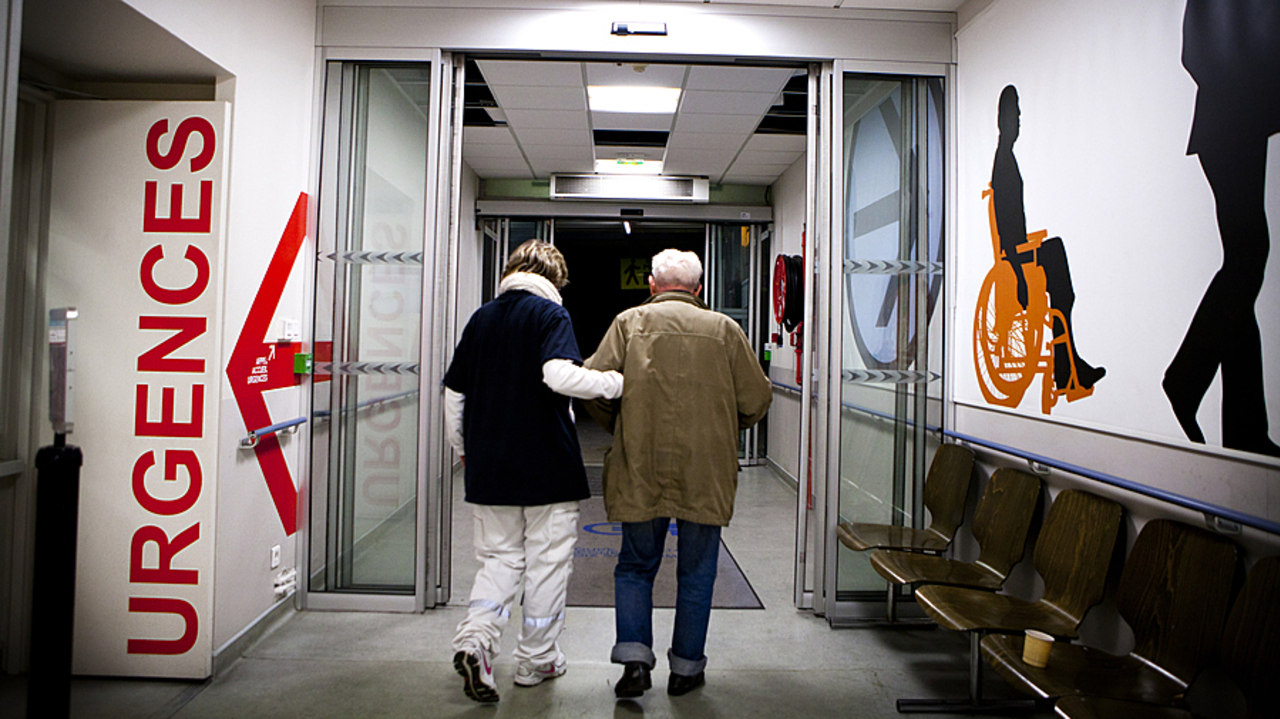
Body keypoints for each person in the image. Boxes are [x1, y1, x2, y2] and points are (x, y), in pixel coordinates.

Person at [583, 249, 772, 699]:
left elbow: (593, 384)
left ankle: (633, 663)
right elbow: (757, 399)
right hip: (706, 469)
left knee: (633, 566)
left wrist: (623, 426)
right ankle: (686, 669)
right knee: (698, 570)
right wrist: (725, 428)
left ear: (651, 285)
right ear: (699, 290)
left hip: (640, 464)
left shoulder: (628, 324)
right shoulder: (726, 330)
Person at [444, 240, 624, 703]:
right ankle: (536, 660)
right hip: (546, 465)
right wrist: (615, 381)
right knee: (546, 565)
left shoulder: (481, 318)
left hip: (489, 468)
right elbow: (558, 376)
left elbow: (453, 396)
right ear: (555, 279)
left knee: (499, 561)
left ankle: (477, 641)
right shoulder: (550, 315)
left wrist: (465, 451)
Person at [1163, 0, 1280, 457]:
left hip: (1235, 118)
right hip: (1233, 117)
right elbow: (1196, 51)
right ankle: (1186, 379)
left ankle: (1244, 428)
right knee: (1249, 257)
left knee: (1245, 260)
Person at [992, 84, 1105, 394]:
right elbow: (1005, 227)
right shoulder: (1003, 162)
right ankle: (1066, 363)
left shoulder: (1006, 158)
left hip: (1018, 249)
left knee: (1055, 254)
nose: (1018, 121)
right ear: (1003, 120)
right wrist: (1018, 275)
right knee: (1055, 253)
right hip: (1015, 254)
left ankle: (1066, 362)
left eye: (1019, 115)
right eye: (1014, 115)